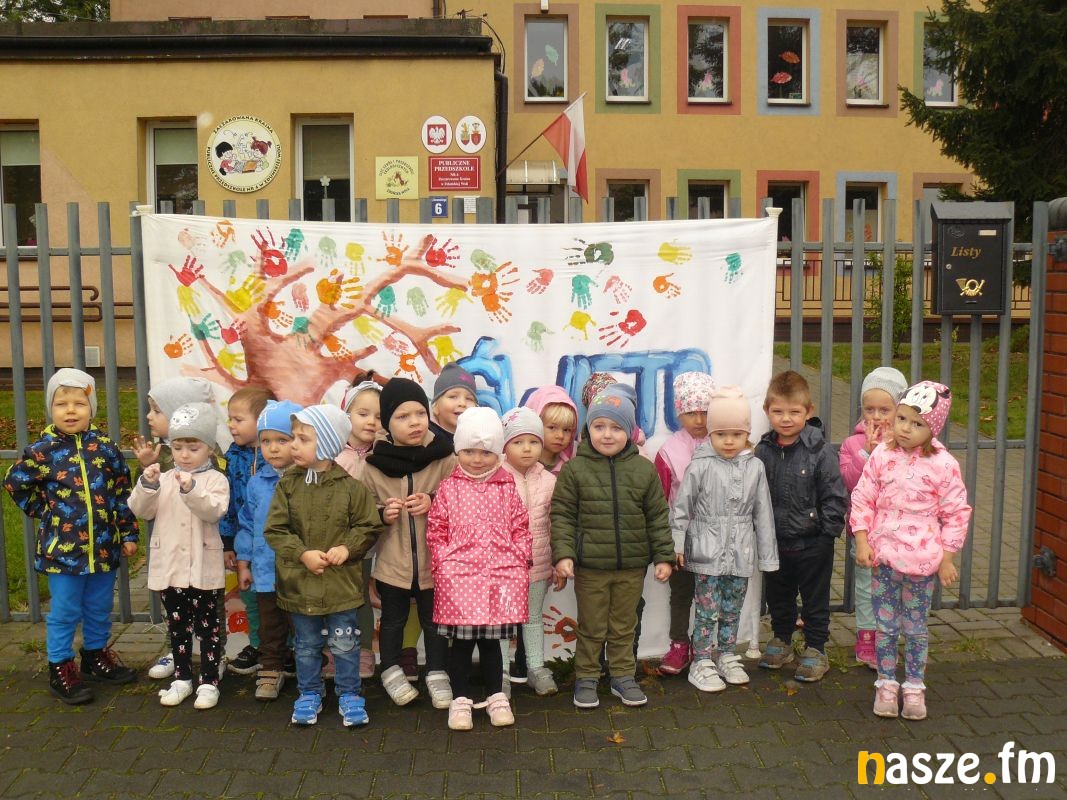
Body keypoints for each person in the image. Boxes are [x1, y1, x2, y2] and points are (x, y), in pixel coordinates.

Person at [4, 369, 138, 704]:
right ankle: (60, 666)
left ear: (92, 408)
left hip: (103, 548)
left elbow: (122, 492)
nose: (70, 410)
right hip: (62, 552)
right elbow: (15, 483)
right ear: (51, 408)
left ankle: (95, 656)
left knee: (99, 607)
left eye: (79, 403)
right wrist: (44, 511)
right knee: (64, 611)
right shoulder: (42, 451)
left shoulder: (105, 449)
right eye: (61, 404)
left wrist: (128, 531)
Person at [851, 381, 971, 721]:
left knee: (915, 629)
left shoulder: (943, 464)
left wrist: (947, 557)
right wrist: (862, 540)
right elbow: (863, 497)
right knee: (886, 627)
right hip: (884, 559)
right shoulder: (882, 455)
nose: (905, 428)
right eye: (902, 418)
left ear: (933, 430)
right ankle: (886, 684)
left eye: (917, 424)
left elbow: (956, 512)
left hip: (922, 563)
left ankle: (915, 686)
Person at [551, 385, 675, 709]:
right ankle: (587, 677)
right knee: (592, 626)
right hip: (590, 567)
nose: (607, 434)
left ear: (630, 431)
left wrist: (663, 556)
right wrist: (564, 554)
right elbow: (562, 515)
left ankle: (622, 676)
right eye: (599, 426)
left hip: (632, 568)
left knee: (623, 626)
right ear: (588, 428)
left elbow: (657, 516)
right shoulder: (574, 470)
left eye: (617, 427)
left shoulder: (643, 469)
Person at [263, 405, 382, 727]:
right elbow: (275, 530)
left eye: (303, 439)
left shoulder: (351, 488)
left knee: (346, 643)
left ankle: (349, 693)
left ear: (327, 445)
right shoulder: (287, 486)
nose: (293, 446)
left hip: (341, 588)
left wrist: (347, 548)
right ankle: (309, 692)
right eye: (294, 438)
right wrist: (302, 554)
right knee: (305, 646)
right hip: (300, 587)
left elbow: (369, 526)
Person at [428, 408, 531, 730]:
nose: (476, 459)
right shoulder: (449, 488)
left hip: (499, 579)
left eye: (485, 452)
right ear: (458, 450)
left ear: (498, 453)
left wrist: (521, 557)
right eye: (469, 451)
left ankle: (496, 697)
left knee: (491, 644)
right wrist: (443, 563)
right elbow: (436, 529)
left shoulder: (506, 487)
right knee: (460, 646)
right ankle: (460, 700)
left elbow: (521, 526)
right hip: (458, 581)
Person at [671, 386, 778, 692]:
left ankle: (727, 653)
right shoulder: (700, 465)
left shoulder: (755, 468)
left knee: (732, 607)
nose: (729, 441)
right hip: (706, 553)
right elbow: (681, 509)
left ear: (747, 434)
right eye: (721, 434)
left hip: (740, 553)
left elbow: (763, 514)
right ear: (710, 434)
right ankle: (702, 659)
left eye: (736, 434)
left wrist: (767, 556)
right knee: (707, 609)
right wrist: (676, 545)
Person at [361, 378, 456, 708]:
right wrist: (381, 514)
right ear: (387, 422)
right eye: (403, 416)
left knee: (435, 621)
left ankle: (437, 672)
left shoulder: (444, 457)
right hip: (392, 563)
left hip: (435, 564)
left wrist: (433, 501)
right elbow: (361, 514)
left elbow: (461, 501)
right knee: (392, 621)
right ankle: (390, 670)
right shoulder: (373, 466)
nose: (415, 422)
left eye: (420, 413)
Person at [129, 402, 229, 709]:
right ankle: (182, 678)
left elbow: (214, 511)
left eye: (193, 448)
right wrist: (147, 483)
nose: (184, 455)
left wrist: (191, 490)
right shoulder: (164, 477)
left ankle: (209, 681)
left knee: (209, 627)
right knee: (178, 626)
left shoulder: (216, 480)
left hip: (203, 568)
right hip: (171, 567)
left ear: (209, 448)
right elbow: (141, 510)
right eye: (177, 447)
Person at [755, 370, 847, 682]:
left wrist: (826, 534)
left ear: (808, 412)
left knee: (814, 600)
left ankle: (816, 648)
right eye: (778, 411)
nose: (786, 419)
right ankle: (782, 640)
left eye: (794, 412)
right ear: (767, 411)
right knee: (779, 596)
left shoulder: (820, 451)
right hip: (776, 542)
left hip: (812, 543)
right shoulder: (763, 450)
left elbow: (835, 495)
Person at [838, 366, 908, 670]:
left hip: (898, 534)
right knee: (867, 586)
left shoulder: (907, 444)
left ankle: (887, 637)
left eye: (885, 410)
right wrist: (867, 454)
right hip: (865, 533)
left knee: (894, 588)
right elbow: (849, 482)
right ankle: (866, 636)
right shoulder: (852, 444)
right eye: (869, 409)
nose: (876, 416)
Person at [235, 399, 302, 701]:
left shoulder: (309, 480)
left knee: (303, 627)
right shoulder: (256, 483)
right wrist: (244, 562)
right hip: (266, 573)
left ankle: (307, 672)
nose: (273, 448)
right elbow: (247, 523)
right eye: (266, 441)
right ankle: (271, 669)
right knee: (270, 627)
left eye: (282, 440)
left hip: (301, 573)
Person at [653, 371, 716, 676]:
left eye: (705, 411)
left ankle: (706, 646)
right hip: (681, 539)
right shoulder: (669, 451)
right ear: (679, 413)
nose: (699, 419)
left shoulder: (724, 443)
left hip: (715, 538)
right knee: (681, 594)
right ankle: (679, 644)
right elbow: (660, 499)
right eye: (691, 413)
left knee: (710, 595)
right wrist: (666, 544)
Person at [499, 406, 557, 696]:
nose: (526, 448)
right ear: (504, 445)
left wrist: (557, 562)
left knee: (533, 618)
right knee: (503, 623)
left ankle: (536, 667)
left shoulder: (549, 481)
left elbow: (556, 524)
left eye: (533, 441)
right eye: (518, 442)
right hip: (503, 570)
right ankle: (500, 673)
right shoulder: (495, 479)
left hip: (539, 566)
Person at [221, 386, 275, 677]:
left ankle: (285, 650)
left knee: (279, 600)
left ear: (261, 420)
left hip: (277, 544)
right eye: (230, 419)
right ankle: (257, 645)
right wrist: (228, 543)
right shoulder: (232, 458)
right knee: (252, 598)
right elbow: (228, 503)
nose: (231, 425)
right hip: (246, 543)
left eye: (238, 419)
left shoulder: (278, 458)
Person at [335, 377, 384, 680]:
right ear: (346, 415)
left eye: (378, 415)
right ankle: (336, 652)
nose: (370, 421)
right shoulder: (332, 453)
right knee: (336, 599)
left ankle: (365, 651)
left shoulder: (382, 454)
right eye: (363, 413)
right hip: (335, 540)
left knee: (361, 597)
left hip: (369, 543)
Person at [524, 385, 578, 476]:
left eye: (566, 430)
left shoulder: (573, 461)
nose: (560, 436)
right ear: (534, 425)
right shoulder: (519, 463)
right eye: (552, 427)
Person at [428, 363, 478, 446]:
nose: (462, 403)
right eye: (453, 397)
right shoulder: (425, 439)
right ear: (435, 407)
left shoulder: (480, 438)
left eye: (469, 399)